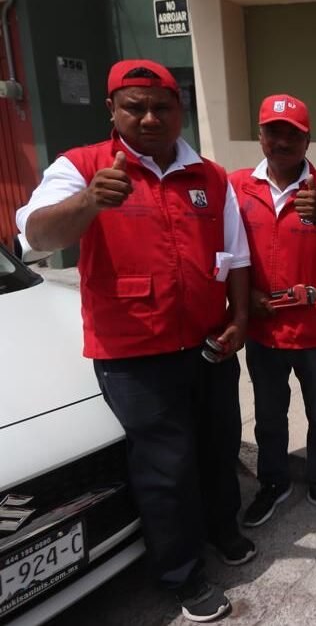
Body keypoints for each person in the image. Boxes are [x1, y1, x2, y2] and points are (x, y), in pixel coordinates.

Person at [16, 59, 253, 622]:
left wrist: (240, 317)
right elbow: (33, 236)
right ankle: (181, 574)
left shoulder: (211, 176)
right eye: (135, 106)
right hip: (134, 354)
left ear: (181, 111)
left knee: (219, 447)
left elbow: (237, 254)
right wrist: (90, 201)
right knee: (166, 465)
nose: (149, 117)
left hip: (207, 343)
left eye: (162, 106)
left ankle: (223, 529)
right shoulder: (83, 167)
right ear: (112, 110)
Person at [232, 94, 316, 529]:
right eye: (273, 131)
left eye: (293, 134)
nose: (282, 141)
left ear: (308, 141)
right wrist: (244, 299)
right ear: (261, 135)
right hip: (264, 329)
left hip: (315, 329)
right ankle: (274, 483)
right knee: (269, 415)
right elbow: (227, 254)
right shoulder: (236, 187)